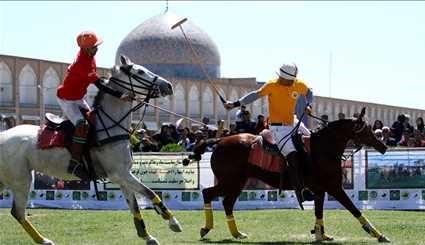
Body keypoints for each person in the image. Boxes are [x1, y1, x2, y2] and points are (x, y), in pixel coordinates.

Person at [224, 62, 314, 207]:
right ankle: (302, 191)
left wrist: (309, 105)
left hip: (294, 122)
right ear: (282, 77)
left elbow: (309, 92)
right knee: (293, 156)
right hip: (278, 129)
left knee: (313, 144)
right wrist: (235, 103)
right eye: (288, 80)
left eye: (292, 80)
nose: (291, 82)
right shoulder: (272, 85)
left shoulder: (297, 84)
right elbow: (254, 95)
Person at [56, 31, 134, 180]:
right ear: (85, 49)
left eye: (96, 45)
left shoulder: (89, 57)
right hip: (67, 99)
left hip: (78, 97)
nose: (97, 48)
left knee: (95, 120)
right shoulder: (81, 64)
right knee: (82, 125)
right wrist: (120, 95)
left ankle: (92, 155)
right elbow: (99, 85)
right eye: (94, 46)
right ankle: (74, 163)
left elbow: (97, 79)